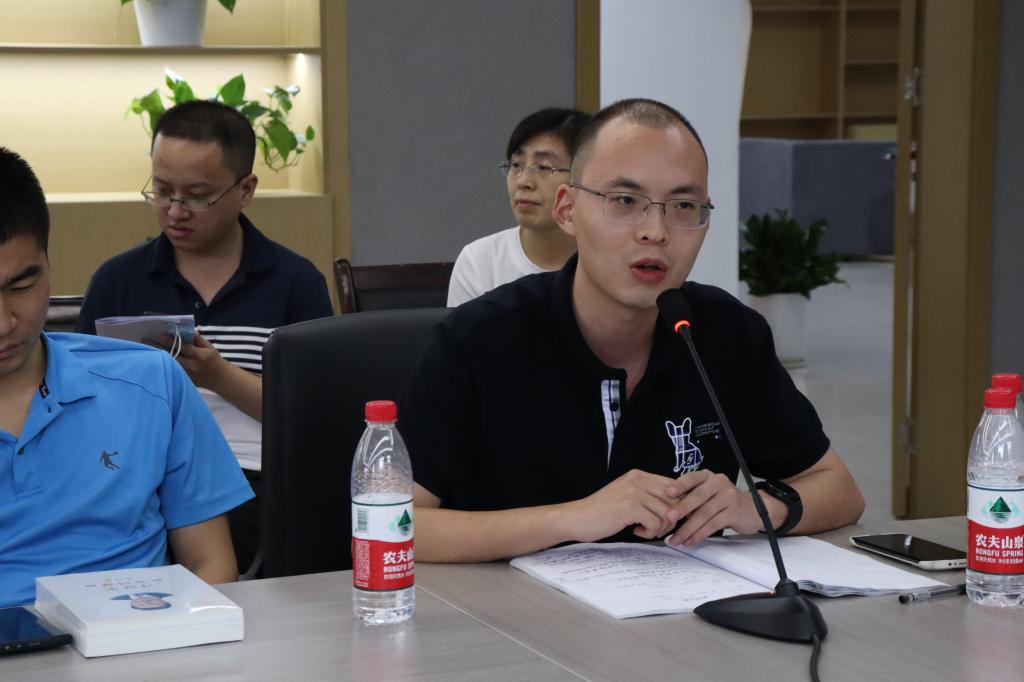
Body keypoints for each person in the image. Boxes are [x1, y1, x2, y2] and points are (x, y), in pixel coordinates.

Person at [400, 99, 865, 563]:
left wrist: (753, 507)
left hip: (680, 604)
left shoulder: (726, 333)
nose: (656, 232)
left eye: (684, 206)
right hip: (501, 606)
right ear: (567, 210)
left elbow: (839, 489)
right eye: (625, 201)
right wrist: (572, 519)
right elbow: (391, 523)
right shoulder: (478, 338)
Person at [75, 100, 333, 572]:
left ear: (246, 190)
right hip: (141, 469)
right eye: (161, 191)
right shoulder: (117, 281)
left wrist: (217, 375)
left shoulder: (294, 283)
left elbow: (314, 418)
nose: (175, 211)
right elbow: (77, 400)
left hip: (255, 478)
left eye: (197, 196)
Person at [0, 147, 254, 607]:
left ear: (49, 263)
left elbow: (213, 566)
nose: (4, 323)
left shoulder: (151, 383)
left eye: (21, 286)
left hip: (138, 637)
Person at [446, 107, 592, 307]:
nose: (523, 182)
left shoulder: (609, 262)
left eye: (544, 167)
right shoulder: (481, 262)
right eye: (516, 165)